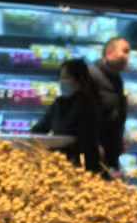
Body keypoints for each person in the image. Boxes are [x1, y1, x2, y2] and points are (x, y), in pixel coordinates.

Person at [30, 60, 102, 173]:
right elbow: (39, 129)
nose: (62, 81)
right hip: (59, 162)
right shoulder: (59, 103)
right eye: (61, 77)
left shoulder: (88, 105)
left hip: (78, 163)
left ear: (79, 80)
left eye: (66, 77)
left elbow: (86, 141)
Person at [89, 36, 130, 174]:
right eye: (124, 51)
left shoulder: (117, 79)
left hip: (110, 152)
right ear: (109, 53)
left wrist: (119, 139)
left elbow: (115, 112)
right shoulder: (91, 75)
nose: (127, 57)